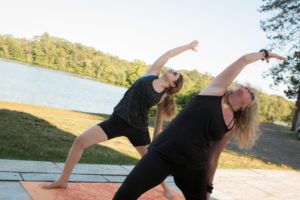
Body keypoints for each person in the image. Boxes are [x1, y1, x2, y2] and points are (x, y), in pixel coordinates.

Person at [112, 48, 285, 200]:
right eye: (247, 86)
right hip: (162, 154)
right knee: (124, 196)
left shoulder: (230, 124)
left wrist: (208, 187)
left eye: (251, 93)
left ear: (246, 107)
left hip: (192, 166)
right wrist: (265, 54)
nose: (247, 88)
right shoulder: (215, 91)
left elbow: (213, 157)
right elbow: (243, 60)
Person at [43, 41, 198, 198]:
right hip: (117, 121)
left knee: (151, 162)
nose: (172, 71)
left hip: (138, 130)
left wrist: (155, 141)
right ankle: (63, 180)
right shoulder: (151, 73)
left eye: (174, 73)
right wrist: (188, 46)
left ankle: (165, 188)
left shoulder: (163, 96)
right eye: (173, 70)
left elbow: (158, 122)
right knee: (80, 141)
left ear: (173, 84)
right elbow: (168, 54)